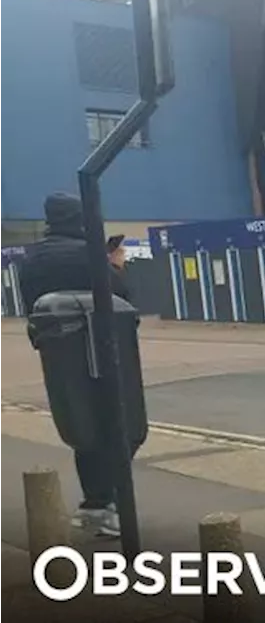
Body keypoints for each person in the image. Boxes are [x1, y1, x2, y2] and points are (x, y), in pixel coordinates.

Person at [19, 193, 135, 538]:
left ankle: (95, 503)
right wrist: (113, 265)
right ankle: (108, 504)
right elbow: (122, 297)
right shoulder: (88, 255)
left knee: (81, 425)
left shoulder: (33, 260)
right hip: (103, 354)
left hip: (58, 357)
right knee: (122, 426)